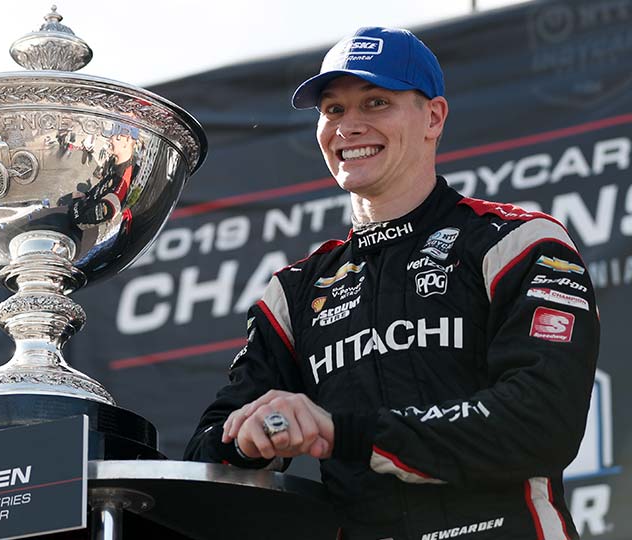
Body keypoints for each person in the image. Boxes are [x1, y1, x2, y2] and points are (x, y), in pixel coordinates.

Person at [184, 27, 598, 540]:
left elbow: (540, 424)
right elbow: (206, 459)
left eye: (376, 102)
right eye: (333, 110)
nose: (348, 127)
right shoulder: (294, 292)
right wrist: (249, 440)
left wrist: (346, 433)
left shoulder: (515, 243)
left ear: (434, 117)